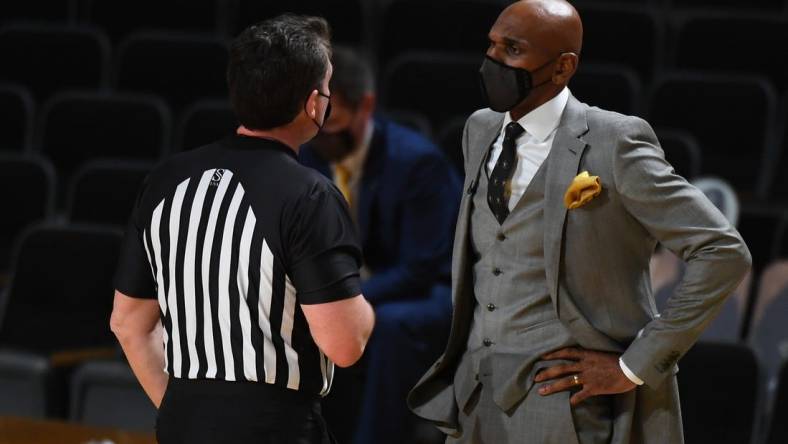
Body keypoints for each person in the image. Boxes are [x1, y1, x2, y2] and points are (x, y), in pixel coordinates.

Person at [407, 1, 752, 443]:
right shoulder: (479, 129)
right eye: (491, 44)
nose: (493, 60)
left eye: (512, 49)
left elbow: (722, 251)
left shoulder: (615, 141)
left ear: (562, 67)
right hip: (473, 392)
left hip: (565, 403)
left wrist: (635, 364)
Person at [109, 15, 375, 444]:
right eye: (326, 88)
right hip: (276, 428)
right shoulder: (310, 195)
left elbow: (128, 325)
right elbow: (345, 344)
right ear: (313, 105)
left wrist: (181, 410)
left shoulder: (165, 180)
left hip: (181, 422)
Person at [299, 47, 461, 444]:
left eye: (332, 119)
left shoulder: (417, 163)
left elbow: (421, 266)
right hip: (354, 291)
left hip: (430, 293)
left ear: (365, 107)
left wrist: (343, 299)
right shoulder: (308, 158)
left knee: (386, 327)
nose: (322, 133)